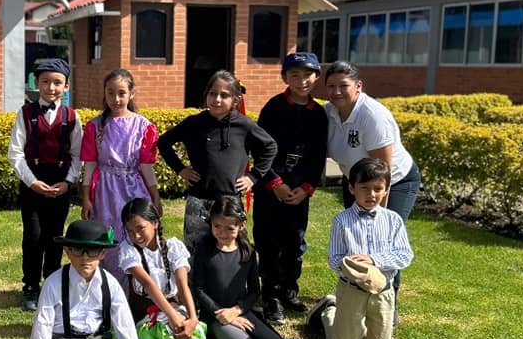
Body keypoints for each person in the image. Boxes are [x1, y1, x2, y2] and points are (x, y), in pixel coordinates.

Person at [24, 219, 165, 339]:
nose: (85, 257)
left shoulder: (110, 284)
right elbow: (42, 326)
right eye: (78, 250)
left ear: (103, 253)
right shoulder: (53, 283)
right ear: (68, 251)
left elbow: (125, 324)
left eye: (92, 251)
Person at [324, 61, 421, 308]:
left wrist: (381, 215)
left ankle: (387, 305)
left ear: (358, 86)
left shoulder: (372, 116)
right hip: (356, 180)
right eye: (331, 86)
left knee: (383, 242)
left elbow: (383, 173)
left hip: (391, 182)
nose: (336, 91)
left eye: (343, 85)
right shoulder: (329, 112)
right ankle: (354, 298)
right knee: (353, 240)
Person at [158, 69, 277, 251]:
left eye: (224, 95)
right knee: (195, 251)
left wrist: (253, 177)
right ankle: (196, 280)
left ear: (236, 100)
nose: (217, 99)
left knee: (231, 250)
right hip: (198, 200)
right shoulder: (194, 123)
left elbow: (270, 146)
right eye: (213, 94)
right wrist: (180, 169)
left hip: (230, 201)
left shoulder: (244, 125)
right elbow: (164, 142)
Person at [306, 158, 414, 339]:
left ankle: (355, 325)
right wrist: (353, 269)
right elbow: (335, 258)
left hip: (382, 291)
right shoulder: (342, 221)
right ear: (351, 188)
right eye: (364, 188)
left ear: (386, 189)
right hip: (352, 290)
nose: (371, 194)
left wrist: (374, 260)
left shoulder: (393, 220)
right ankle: (329, 311)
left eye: (377, 188)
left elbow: (405, 255)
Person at [253, 52, 328, 324]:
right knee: (269, 242)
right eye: (294, 75)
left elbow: (319, 155)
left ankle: (289, 290)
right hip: (271, 188)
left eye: (307, 74)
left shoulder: (319, 114)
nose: (301, 81)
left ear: (316, 77)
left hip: (299, 191)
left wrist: (307, 187)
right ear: (285, 78)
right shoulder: (273, 108)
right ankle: (271, 295)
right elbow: (260, 148)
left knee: (295, 242)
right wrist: (274, 183)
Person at [7, 58, 83, 311]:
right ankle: (30, 285)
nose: (51, 87)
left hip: (60, 181)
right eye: (45, 82)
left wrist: (68, 182)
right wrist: (32, 182)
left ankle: (52, 283)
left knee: (54, 235)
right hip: (33, 181)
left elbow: (77, 154)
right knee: (34, 235)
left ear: (67, 86)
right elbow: (15, 153)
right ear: (36, 84)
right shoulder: (25, 113)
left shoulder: (72, 117)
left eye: (57, 82)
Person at [80, 68, 161, 291]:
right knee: (108, 235)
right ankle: (106, 289)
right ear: (104, 94)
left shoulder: (143, 126)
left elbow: (146, 166)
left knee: (135, 233)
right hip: (105, 191)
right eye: (110, 93)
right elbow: (90, 165)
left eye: (121, 93)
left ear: (131, 94)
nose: (116, 99)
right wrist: (86, 196)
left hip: (134, 188)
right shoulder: (95, 126)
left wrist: (154, 195)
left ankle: (138, 289)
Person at [191, 196, 291, 339]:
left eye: (229, 228)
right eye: (217, 226)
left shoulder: (247, 251)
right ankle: (217, 333)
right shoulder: (204, 249)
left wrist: (236, 311)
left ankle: (246, 328)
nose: (222, 233)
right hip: (215, 314)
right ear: (210, 223)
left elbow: (254, 290)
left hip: (240, 310)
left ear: (241, 226)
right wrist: (222, 314)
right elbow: (198, 289)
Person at [117, 197, 206, 339]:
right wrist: (171, 315)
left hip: (173, 306)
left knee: (184, 330)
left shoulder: (173, 246)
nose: (136, 236)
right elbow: (148, 284)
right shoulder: (129, 251)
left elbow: (182, 284)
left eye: (140, 228)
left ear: (155, 223)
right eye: (130, 231)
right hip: (145, 313)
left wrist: (192, 317)